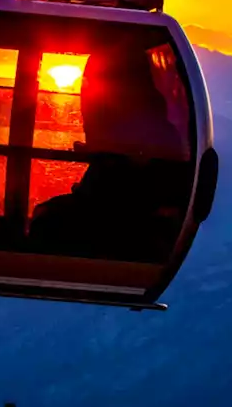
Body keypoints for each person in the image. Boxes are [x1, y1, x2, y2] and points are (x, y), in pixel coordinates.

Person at [28, 42, 190, 261]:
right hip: (115, 215)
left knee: (45, 223)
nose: (88, 111)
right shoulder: (152, 128)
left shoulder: (141, 133)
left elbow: (120, 193)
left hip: (124, 223)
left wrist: (107, 156)